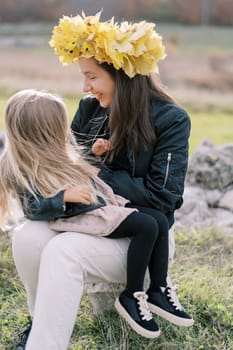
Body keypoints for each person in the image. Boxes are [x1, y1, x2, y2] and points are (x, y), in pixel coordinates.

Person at [5, 11, 193, 350]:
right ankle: (41, 328)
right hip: (93, 221)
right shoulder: (90, 110)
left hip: (144, 240)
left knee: (64, 251)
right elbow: (69, 171)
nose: (85, 87)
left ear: (121, 76)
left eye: (91, 76)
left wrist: (101, 171)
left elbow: (162, 199)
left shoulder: (171, 119)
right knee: (28, 237)